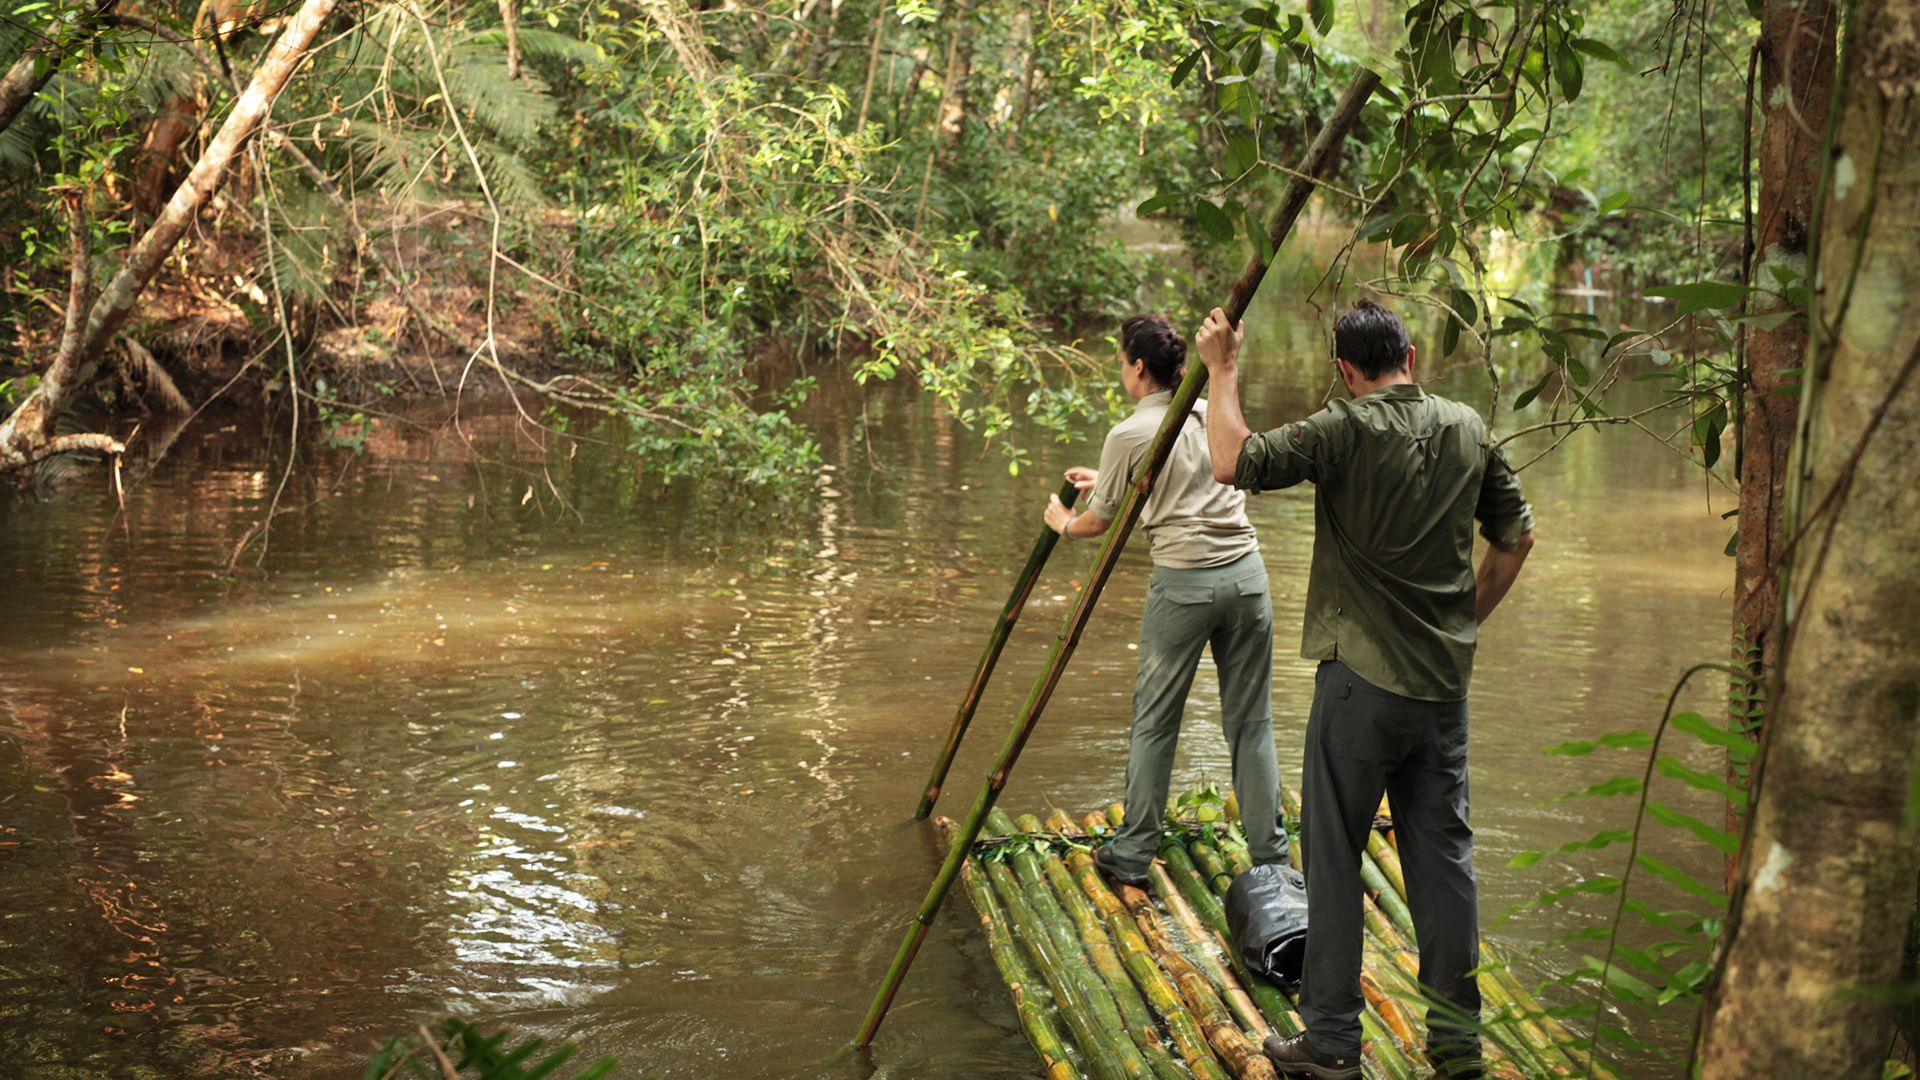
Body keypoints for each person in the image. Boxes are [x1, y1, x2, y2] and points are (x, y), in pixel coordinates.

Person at [1193, 300, 1536, 1080]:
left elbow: (1230, 461)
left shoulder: (1341, 428)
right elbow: (1516, 538)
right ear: (1411, 355)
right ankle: (1456, 1049)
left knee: (1335, 858)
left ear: (1347, 372)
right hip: (1441, 691)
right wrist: (1464, 623)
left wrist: (1223, 368)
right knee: (1446, 863)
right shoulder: (1467, 430)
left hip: (1359, 687)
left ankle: (1332, 1044)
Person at [1043, 312, 1288, 886]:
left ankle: (1132, 855)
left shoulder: (1127, 433)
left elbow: (1097, 524)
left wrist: (1062, 521)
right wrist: (1102, 479)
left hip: (1184, 586)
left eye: (1121, 363)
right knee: (1252, 722)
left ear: (1136, 367)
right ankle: (1271, 857)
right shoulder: (1209, 411)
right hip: (1247, 579)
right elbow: (1166, 476)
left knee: (1155, 723)